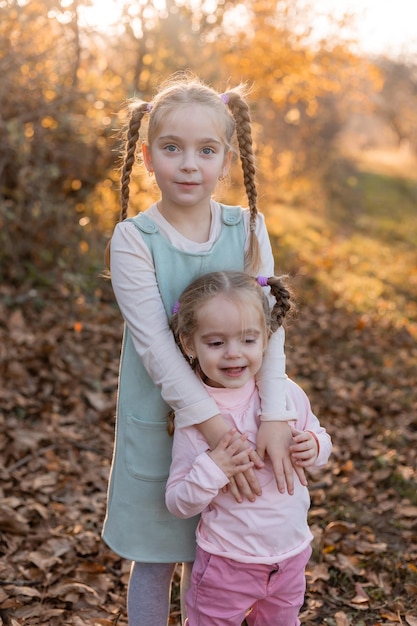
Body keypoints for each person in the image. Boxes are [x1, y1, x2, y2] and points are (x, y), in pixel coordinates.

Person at [102, 72, 303, 626]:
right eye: (172, 148)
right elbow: (158, 351)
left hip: (246, 416)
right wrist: (216, 431)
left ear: (226, 156)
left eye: (205, 150)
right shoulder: (134, 241)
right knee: (159, 553)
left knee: (218, 549)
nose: (189, 164)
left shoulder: (248, 228)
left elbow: (272, 326)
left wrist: (277, 415)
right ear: (146, 156)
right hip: (163, 420)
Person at [166, 270, 332, 626]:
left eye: (247, 340)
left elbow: (320, 437)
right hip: (227, 560)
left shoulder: (284, 395)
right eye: (216, 343)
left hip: (291, 554)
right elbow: (178, 502)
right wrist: (215, 467)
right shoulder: (198, 414)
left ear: (267, 339)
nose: (233, 355)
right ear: (189, 343)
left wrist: (313, 447)